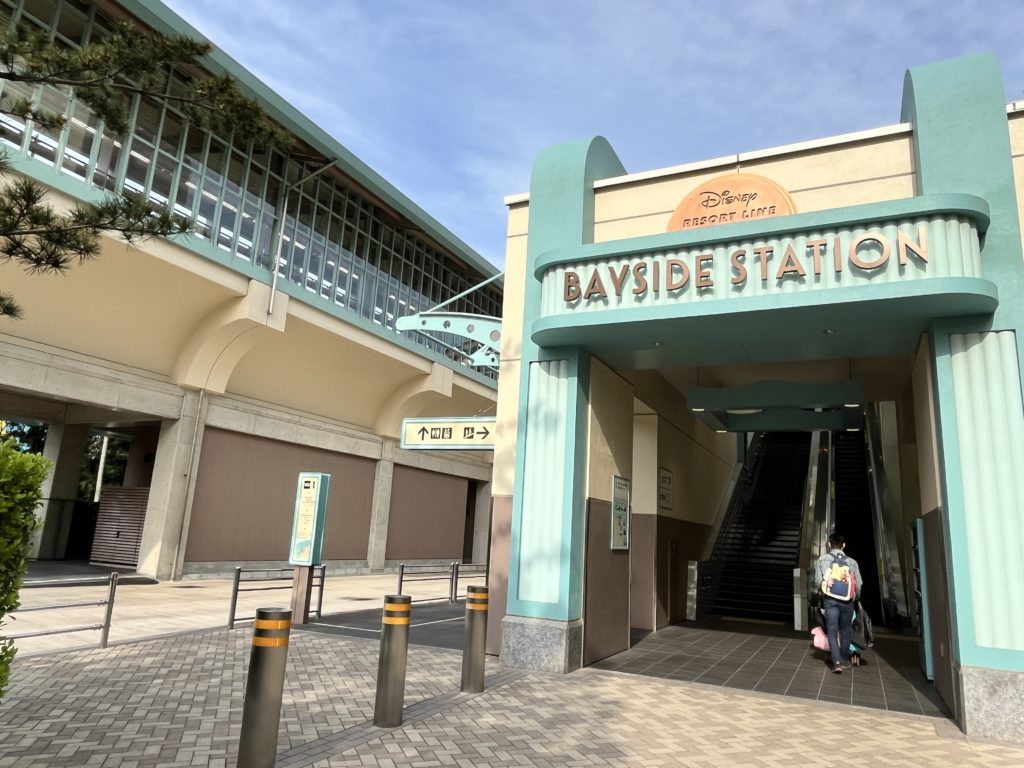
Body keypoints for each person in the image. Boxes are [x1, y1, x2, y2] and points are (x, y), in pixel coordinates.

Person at [815, 533, 863, 673]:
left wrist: (824, 591)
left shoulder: (822, 560)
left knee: (832, 630)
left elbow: (818, 582)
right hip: (847, 602)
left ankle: (836, 662)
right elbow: (859, 584)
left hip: (830, 600)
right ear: (844, 545)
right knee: (846, 629)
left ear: (829, 545)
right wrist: (854, 598)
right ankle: (844, 659)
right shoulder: (852, 562)